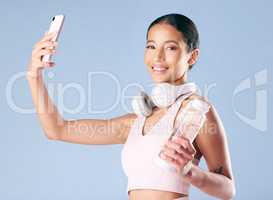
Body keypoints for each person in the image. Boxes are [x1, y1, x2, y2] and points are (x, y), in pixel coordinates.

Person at [26, 13, 236, 200]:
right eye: (151, 46)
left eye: (171, 48)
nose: (157, 57)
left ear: (192, 56)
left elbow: (228, 189)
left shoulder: (197, 112)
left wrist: (191, 172)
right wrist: (33, 75)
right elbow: (56, 129)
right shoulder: (137, 121)